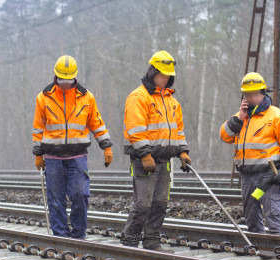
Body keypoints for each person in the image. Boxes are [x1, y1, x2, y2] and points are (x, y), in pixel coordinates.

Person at [32, 55, 113, 238]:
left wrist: (106, 146)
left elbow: (96, 123)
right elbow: (38, 128)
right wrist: (38, 154)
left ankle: (78, 236)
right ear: (55, 76)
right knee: (55, 200)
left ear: (75, 77)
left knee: (80, 195)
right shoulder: (43, 98)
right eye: (62, 80)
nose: (65, 84)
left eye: (68, 80)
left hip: (77, 157)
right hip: (53, 158)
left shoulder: (86, 98)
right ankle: (61, 237)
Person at [121, 51, 191, 249]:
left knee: (160, 203)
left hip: (164, 161)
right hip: (145, 161)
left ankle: (152, 239)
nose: (164, 79)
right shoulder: (138, 97)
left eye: (168, 76)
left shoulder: (171, 101)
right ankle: (130, 240)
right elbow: (136, 131)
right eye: (161, 75)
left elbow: (177, 131)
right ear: (152, 73)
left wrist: (182, 151)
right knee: (143, 204)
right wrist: (145, 154)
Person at [220, 72, 280, 235]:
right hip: (247, 175)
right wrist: (239, 119)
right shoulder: (241, 118)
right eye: (248, 94)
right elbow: (224, 136)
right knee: (251, 218)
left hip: (268, 176)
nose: (252, 98)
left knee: (272, 216)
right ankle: (258, 250)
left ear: (263, 94)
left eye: (255, 94)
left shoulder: (277, 116)